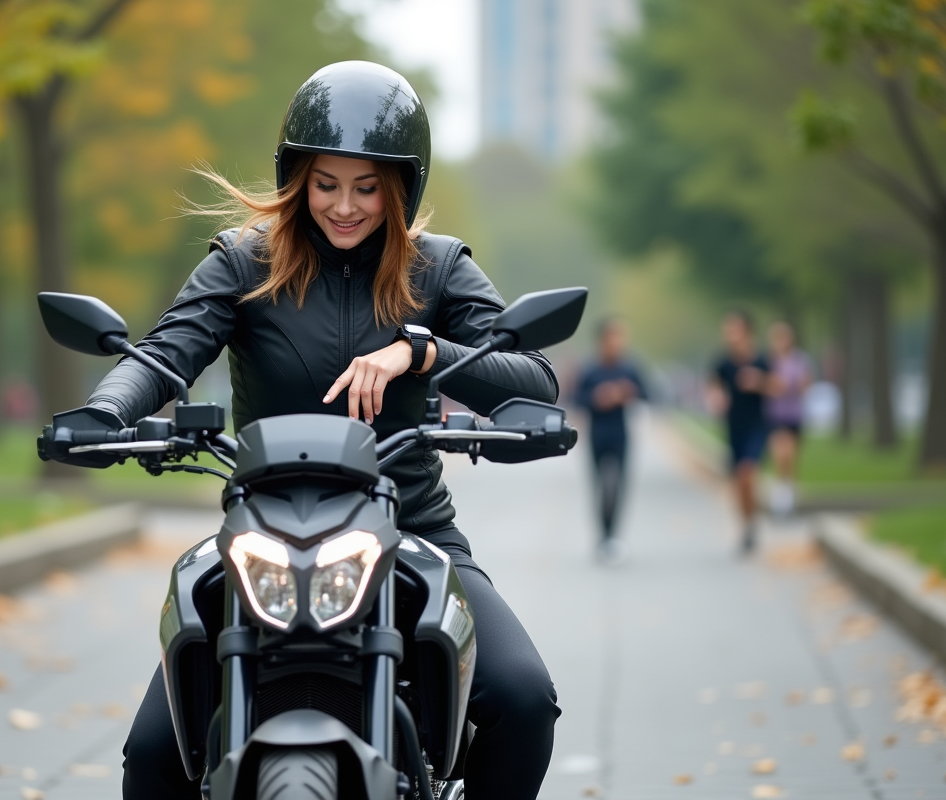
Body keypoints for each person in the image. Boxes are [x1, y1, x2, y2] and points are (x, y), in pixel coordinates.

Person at [50, 62, 562, 800]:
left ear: (400, 187)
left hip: (412, 530)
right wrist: (105, 413)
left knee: (524, 702)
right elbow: (164, 355)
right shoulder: (243, 261)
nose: (345, 207)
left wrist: (419, 349)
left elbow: (532, 378)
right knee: (153, 756)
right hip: (260, 533)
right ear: (297, 177)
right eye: (326, 184)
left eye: (366, 187)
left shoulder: (439, 269)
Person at [574, 319, 647, 564]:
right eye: (613, 338)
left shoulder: (629, 369)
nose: (618, 343)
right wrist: (597, 397)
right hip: (597, 434)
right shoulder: (590, 370)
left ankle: (613, 536)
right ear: (602, 341)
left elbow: (648, 393)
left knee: (617, 486)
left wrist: (628, 392)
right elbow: (577, 399)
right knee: (600, 487)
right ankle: (603, 536)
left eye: (621, 338)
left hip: (620, 435)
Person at [707, 310, 771, 554]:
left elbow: (778, 386)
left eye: (734, 329)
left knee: (747, 472)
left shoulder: (761, 359)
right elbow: (712, 384)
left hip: (757, 425)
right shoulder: (724, 362)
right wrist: (716, 397)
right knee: (738, 481)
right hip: (734, 428)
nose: (729, 334)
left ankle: (750, 522)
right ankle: (747, 525)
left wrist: (759, 382)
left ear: (746, 331)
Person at [765, 321, 813, 516]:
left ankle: (789, 494)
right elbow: (765, 386)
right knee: (779, 454)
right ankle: (781, 497)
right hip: (775, 415)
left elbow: (806, 384)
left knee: (790, 457)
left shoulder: (799, 361)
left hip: (794, 414)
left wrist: (798, 385)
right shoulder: (769, 362)